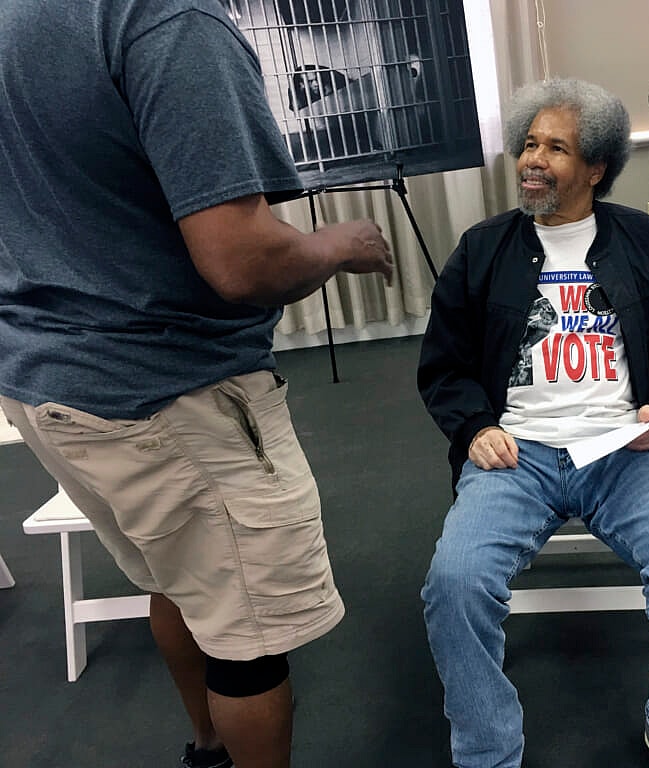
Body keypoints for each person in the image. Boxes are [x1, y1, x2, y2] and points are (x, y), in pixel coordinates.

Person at [0, 3, 393, 767]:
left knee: (180, 582)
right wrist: (338, 243)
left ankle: (209, 751)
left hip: (46, 382)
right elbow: (243, 263)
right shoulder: (165, 18)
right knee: (248, 642)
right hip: (162, 392)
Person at [417, 78, 649, 768]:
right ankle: (487, 751)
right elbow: (444, 366)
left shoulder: (644, 243)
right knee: (455, 582)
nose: (533, 158)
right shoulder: (482, 251)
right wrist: (474, 426)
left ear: (596, 168)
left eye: (556, 147)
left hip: (625, 451)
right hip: (516, 454)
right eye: (529, 143)